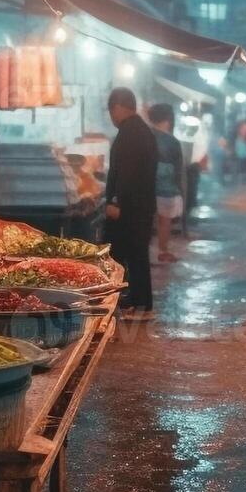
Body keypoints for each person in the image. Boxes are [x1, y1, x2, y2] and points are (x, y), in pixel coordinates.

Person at [104, 88, 159, 319]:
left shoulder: (131, 133)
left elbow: (126, 172)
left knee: (134, 254)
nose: (111, 116)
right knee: (135, 254)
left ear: (118, 107)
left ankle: (142, 306)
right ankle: (136, 299)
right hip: (139, 204)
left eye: (110, 111)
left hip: (131, 207)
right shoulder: (139, 130)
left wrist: (116, 201)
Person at [147, 103, 185, 264]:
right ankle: (163, 251)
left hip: (146, 185)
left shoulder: (145, 136)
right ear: (169, 120)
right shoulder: (173, 142)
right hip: (167, 188)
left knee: (148, 220)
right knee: (164, 221)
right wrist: (180, 189)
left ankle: (145, 253)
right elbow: (178, 169)